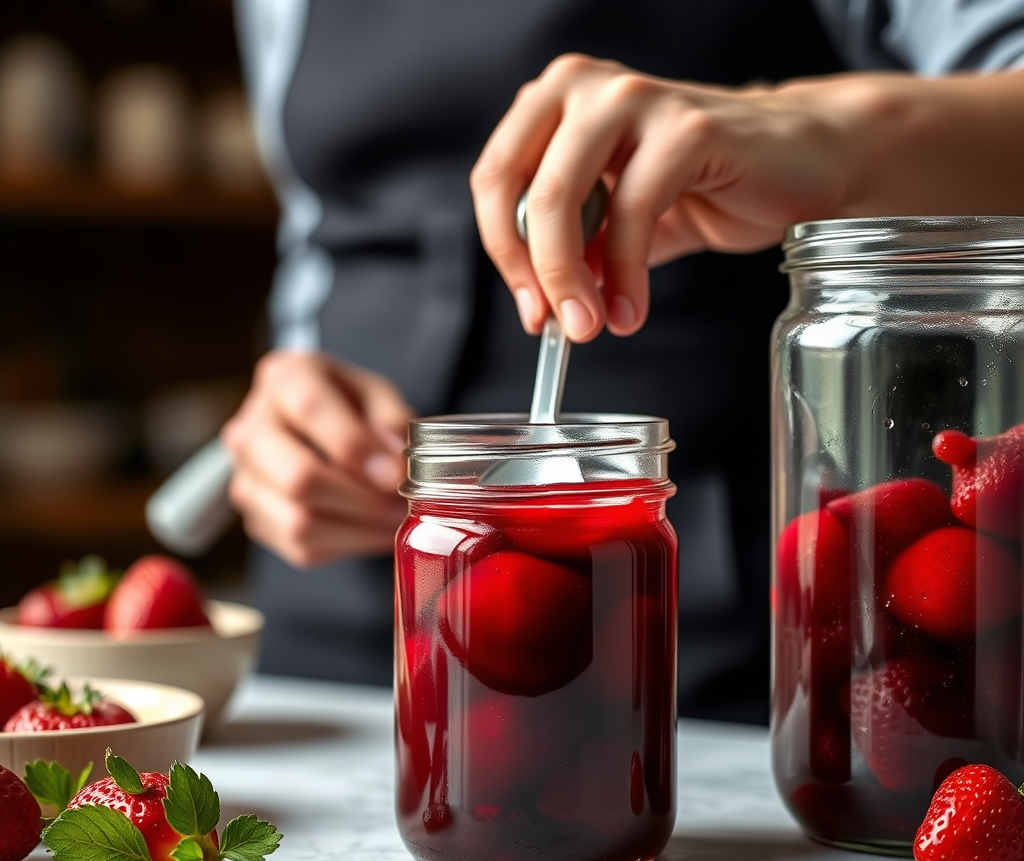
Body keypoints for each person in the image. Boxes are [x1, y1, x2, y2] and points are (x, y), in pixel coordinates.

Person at [223, 0, 1024, 724]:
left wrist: (826, 132)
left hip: (712, 634)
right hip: (325, 627)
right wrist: (291, 387)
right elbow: (318, 234)